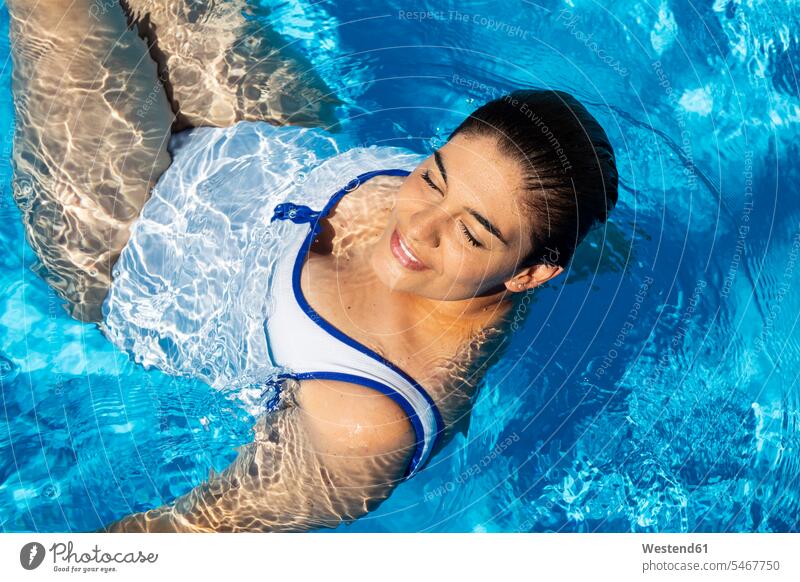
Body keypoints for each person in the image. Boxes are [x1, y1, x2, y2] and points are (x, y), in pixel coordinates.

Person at [6, 1, 618, 532]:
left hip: (128, 235)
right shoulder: (522, 224)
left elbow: (191, 531)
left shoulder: (371, 417)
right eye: (432, 176)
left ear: (532, 274)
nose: (416, 228)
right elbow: (591, 238)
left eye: (468, 232)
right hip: (263, 128)